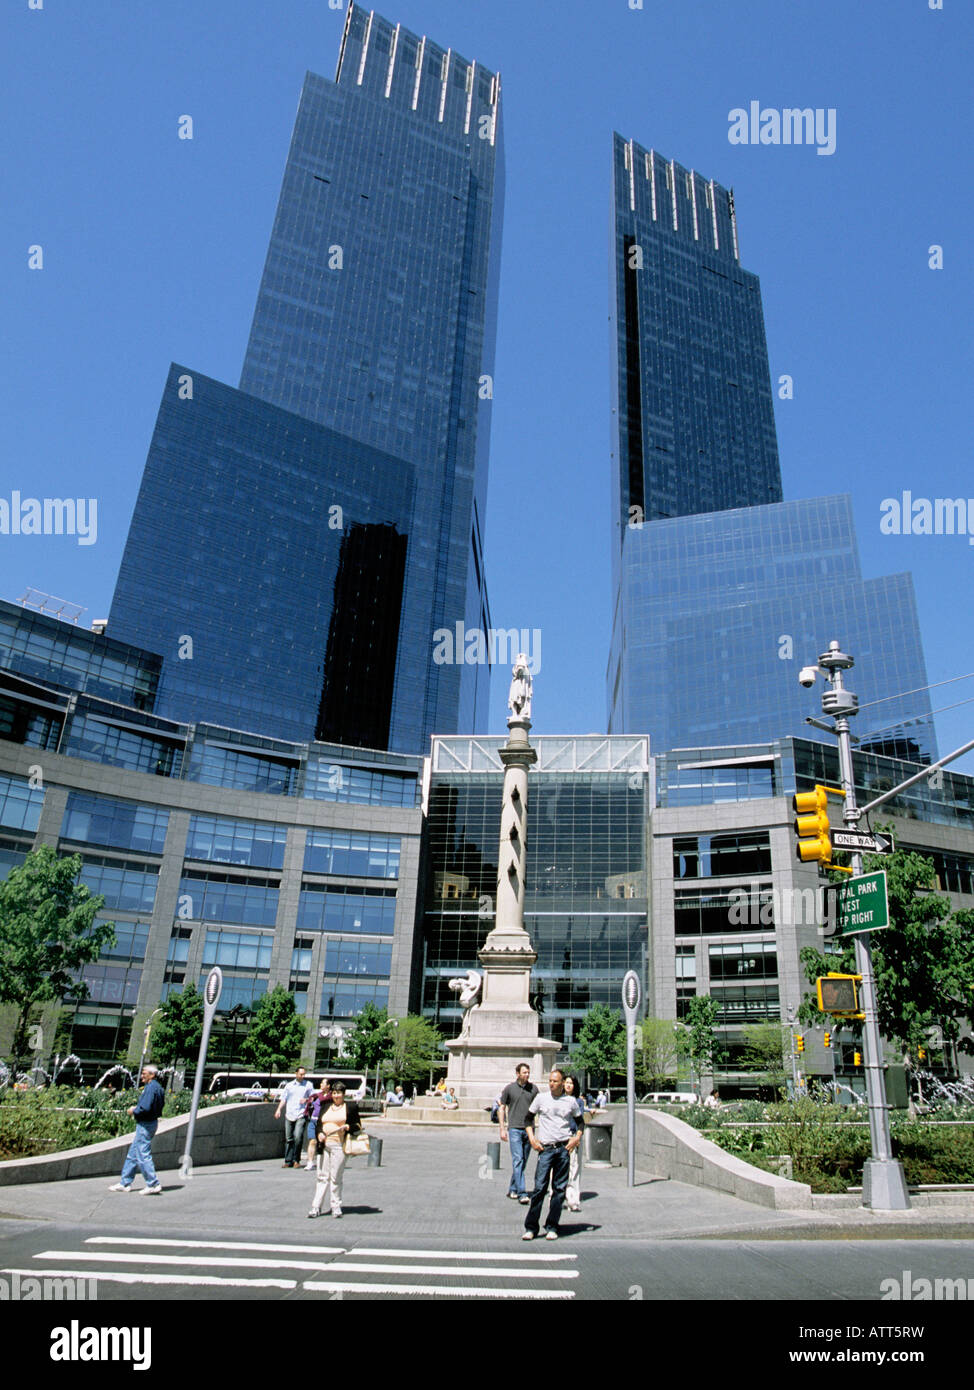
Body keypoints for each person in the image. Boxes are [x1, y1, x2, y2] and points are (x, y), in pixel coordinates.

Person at [522, 1068, 584, 1241]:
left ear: (562, 1083)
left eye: (555, 1081)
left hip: (563, 1148)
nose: (551, 1084)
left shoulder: (570, 1101)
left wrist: (575, 1139)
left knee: (558, 1190)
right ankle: (531, 1227)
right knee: (539, 1188)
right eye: (550, 1080)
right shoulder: (541, 1098)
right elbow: (528, 1118)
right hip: (546, 1148)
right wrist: (532, 1138)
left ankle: (552, 1226)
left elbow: (580, 1123)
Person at [108, 1064, 166, 1195]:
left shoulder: (151, 1088)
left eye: (144, 1073)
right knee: (133, 1154)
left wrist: (134, 1110)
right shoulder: (158, 1088)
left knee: (142, 1153)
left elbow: (145, 1108)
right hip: (150, 1123)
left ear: (152, 1075)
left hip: (145, 1124)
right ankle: (125, 1183)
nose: (142, 1076)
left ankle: (153, 1183)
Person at [308, 1081, 362, 1219]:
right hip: (324, 1145)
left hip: (339, 1145)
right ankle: (316, 1206)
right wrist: (319, 1133)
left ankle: (336, 1206)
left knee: (336, 1177)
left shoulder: (350, 1107)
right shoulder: (326, 1106)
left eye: (339, 1093)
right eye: (334, 1093)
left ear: (344, 1094)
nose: (336, 1096)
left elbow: (357, 1125)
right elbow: (319, 1124)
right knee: (321, 1176)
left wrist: (348, 1127)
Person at [498, 1062, 539, 1204]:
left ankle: (513, 1189)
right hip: (514, 1128)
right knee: (518, 1159)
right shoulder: (509, 1089)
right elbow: (501, 1108)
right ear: (517, 1074)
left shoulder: (534, 1089)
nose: (527, 1075)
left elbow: (539, 1108)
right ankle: (522, 1193)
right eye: (524, 1072)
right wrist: (502, 1128)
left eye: (528, 1072)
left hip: (529, 1129)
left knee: (522, 1161)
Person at [275, 1066, 314, 1168]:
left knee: (298, 1137)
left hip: (301, 1114)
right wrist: (279, 1109)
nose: (302, 1076)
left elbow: (313, 1098)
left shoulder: (308, 1085)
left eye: (304, 1074)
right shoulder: (289, 1086)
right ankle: (288, 1160)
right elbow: (284, 1098)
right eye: (301, 1074)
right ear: (296, 1074)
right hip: (290, 1114)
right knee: (289, 1138)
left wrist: (306, 1100)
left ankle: (296, 1159)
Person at [563, 1074, 588, 1212]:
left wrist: (577, 1137)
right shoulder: (558, 1100)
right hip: (561, 1137)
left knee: (574, 1168)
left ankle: (574, 1198)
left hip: (574, 1136)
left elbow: (580, 1122)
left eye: (571, 1083)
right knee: (561, 1169)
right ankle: (561, 1196)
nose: (568, 1085)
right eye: (566, 1082)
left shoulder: (578, 1102)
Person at [304, 1079, 332, 1169]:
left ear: (328, 1086)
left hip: (323, 1122)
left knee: (323, 1142)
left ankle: (325, 1161)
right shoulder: (316, 1096)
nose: (320, 1084)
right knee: (312, 1141)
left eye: (323, 1083)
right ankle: (310, 1162)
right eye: (321, 1082)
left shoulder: (331, 1097)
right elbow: (310, 1105)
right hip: (313, 1120)